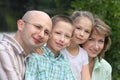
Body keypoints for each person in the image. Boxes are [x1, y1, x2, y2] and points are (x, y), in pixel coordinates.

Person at [0, 10, 52, 80]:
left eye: (46, 32)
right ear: (21, 25)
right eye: (37, 27)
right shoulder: (3, 51)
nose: (41, 35)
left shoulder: (33, 57)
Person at [25, 15, 75, 80]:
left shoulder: (65, 64)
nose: (62, 39)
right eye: (58, 33)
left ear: (70, 42)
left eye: (67, 36)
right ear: (48, 33)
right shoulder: (36, 56)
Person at [60, 11, 94, 80]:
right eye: (78, 28)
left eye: (86, 31)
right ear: (70, 26)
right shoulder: (59, 47)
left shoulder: (83, 54)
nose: (82, 34)